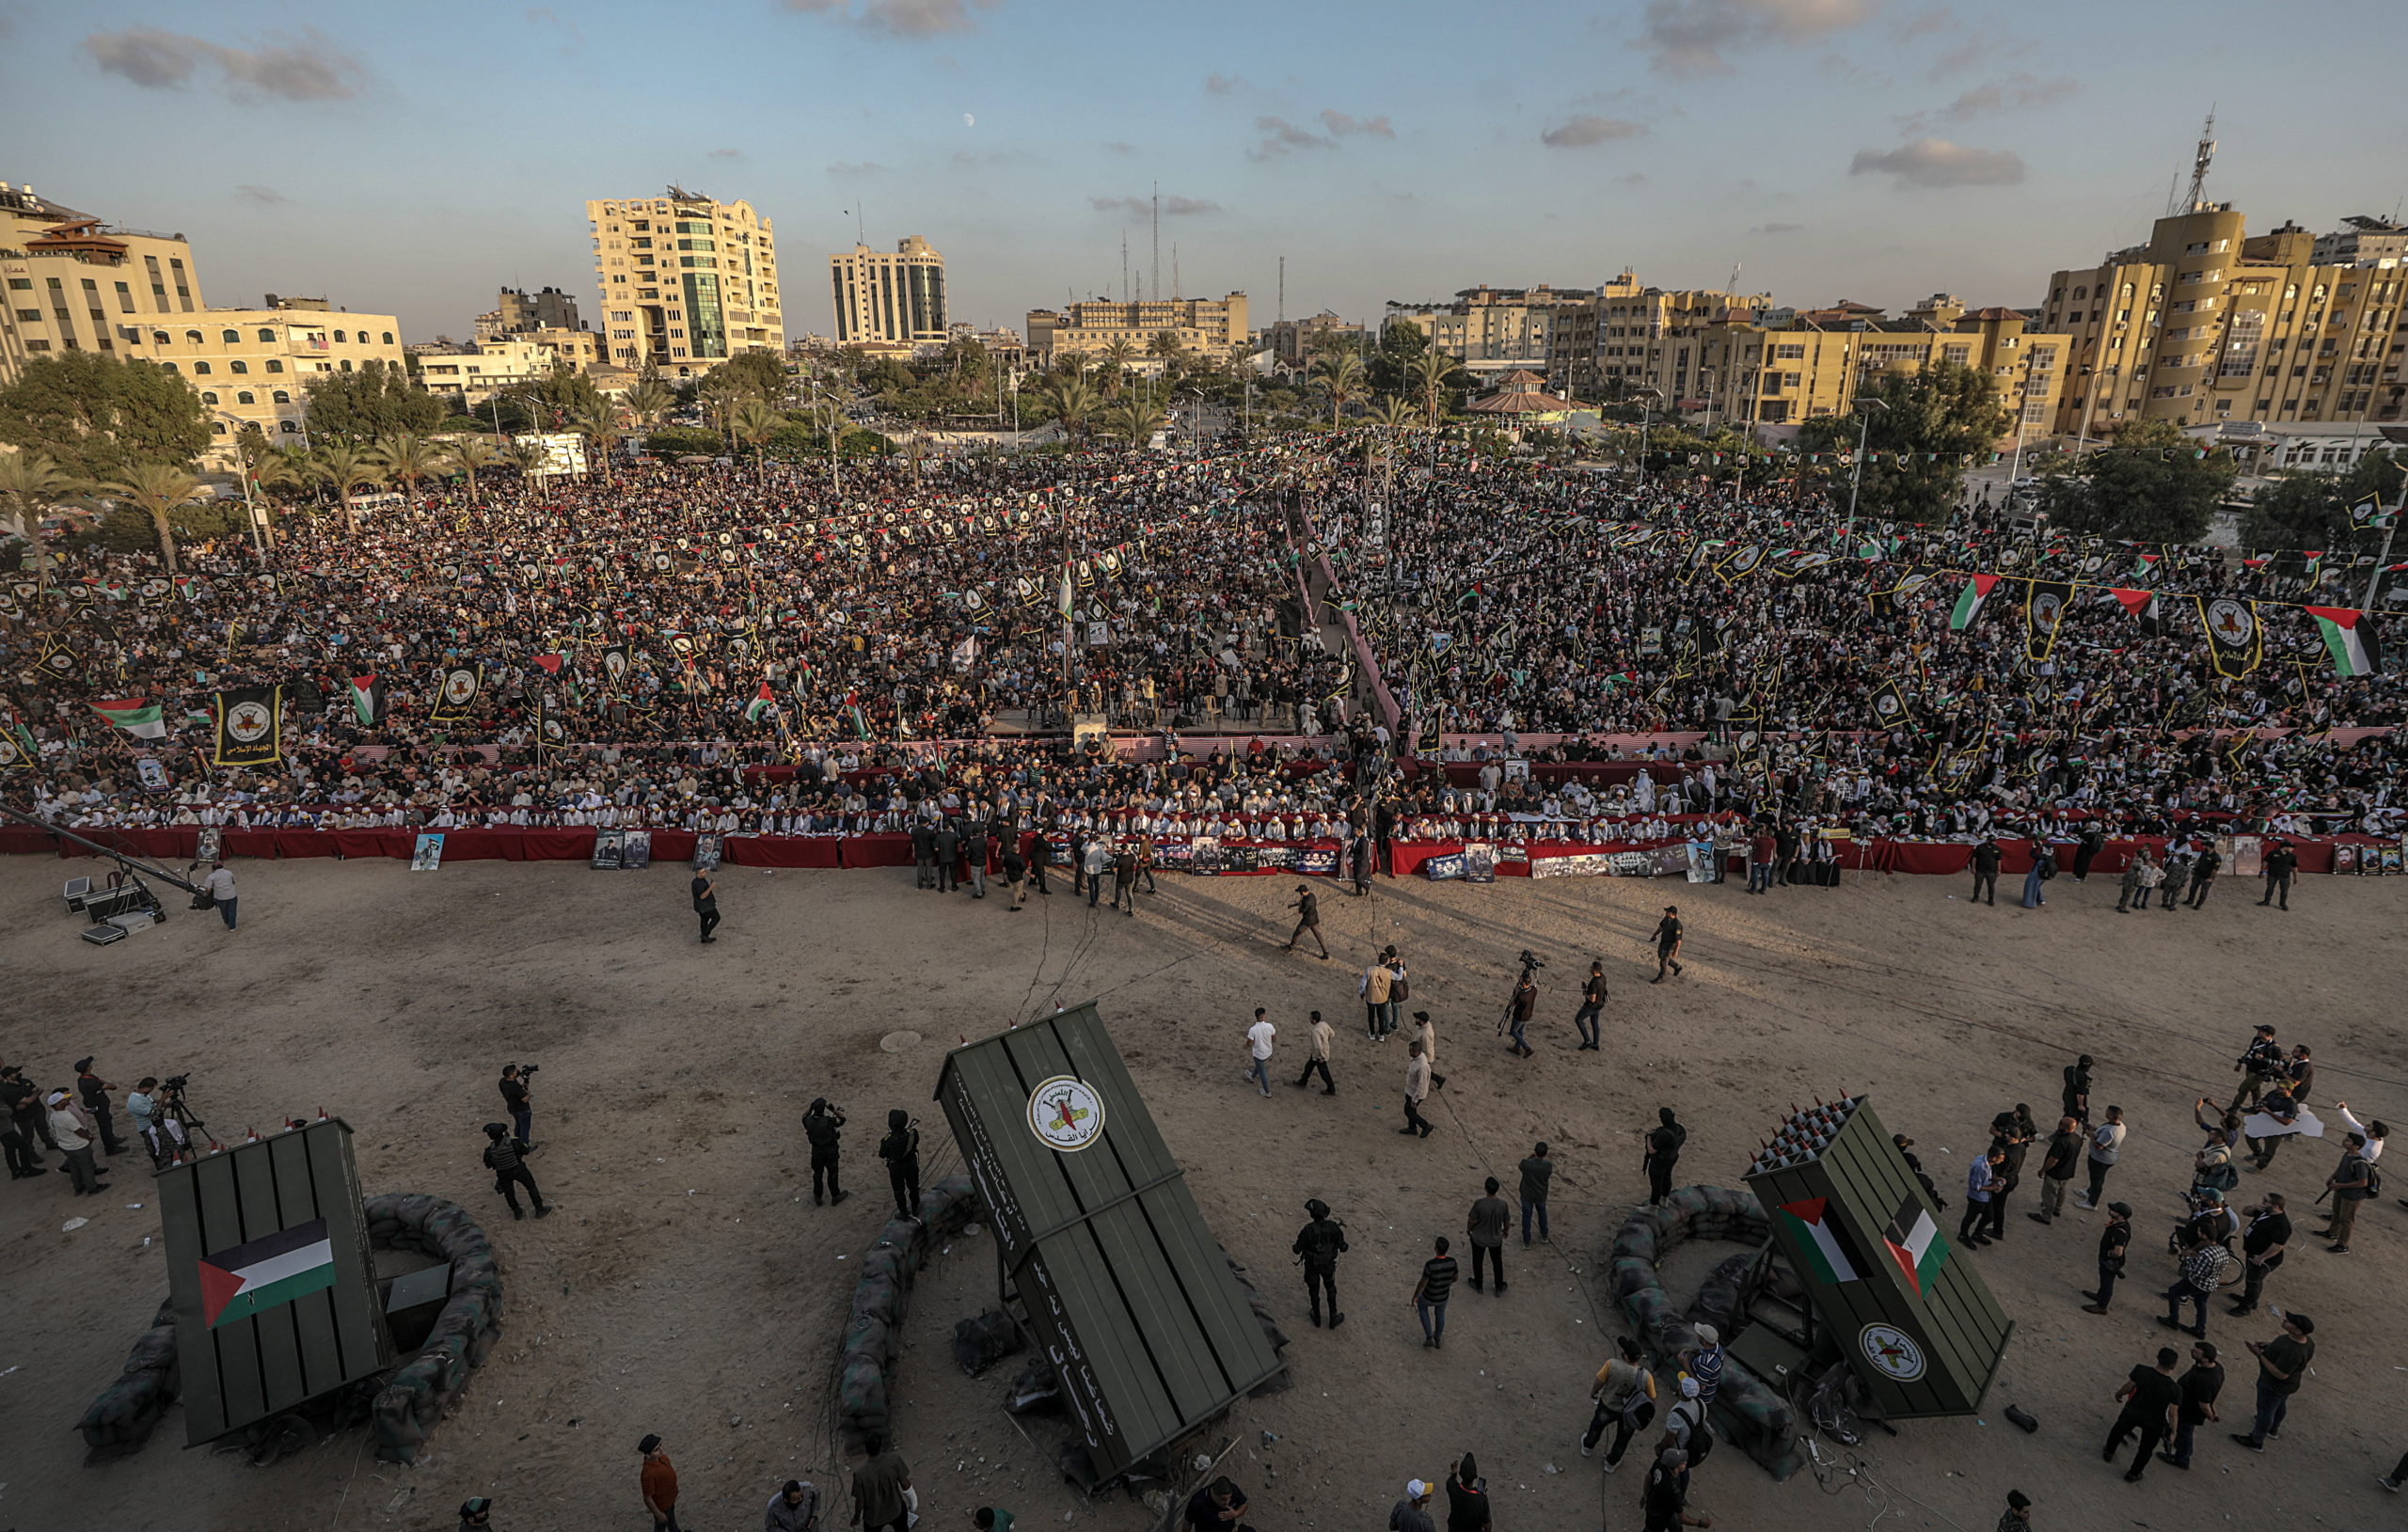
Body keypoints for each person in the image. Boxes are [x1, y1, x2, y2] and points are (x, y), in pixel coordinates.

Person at [2229, 1312, 2314, 1452]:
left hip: (2274, 1385)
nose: (2285, 1320)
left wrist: (2259, 1355)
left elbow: (2280, 1374)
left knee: (2265, 1411)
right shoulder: (2306, 1342)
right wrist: (2269, 1346)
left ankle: (2256, 1440)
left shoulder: (2293, 1352)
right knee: (2279, 1405)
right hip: (2288, 1385)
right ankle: (2272, 1429)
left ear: (2298, 1331)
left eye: (2290, 1322)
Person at [2103, 1346, 2182, 1482]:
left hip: (2134, 1410)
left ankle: (2109, 1452)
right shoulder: (2175, 1389)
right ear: (2173, 1366)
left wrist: (2119, 1394)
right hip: (2155, 1420)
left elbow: (2129, 1386)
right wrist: (2174, 1432)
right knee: (2146, 1449)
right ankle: (2134, 1473)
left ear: (2158, 1358)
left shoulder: (2141, 1370)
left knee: (2118, 1430)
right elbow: (2172, 1413)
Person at [1582, 1335, 1658, 1470]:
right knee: (1622, 1439)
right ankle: (1611, 1463)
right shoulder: (1646, 1376)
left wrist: (1594, 1392)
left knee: (1596, 1427)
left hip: (1608, 1405)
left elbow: (1599, 1381)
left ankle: (1587, 1447)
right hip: (1629, 1414)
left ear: (1626, 1357)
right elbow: (1652, 1398)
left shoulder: (1612, 1364)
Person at [2158, 1340, 2223, 1470]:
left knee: (2184, 1433)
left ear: (2205, 1358)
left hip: (2189, 1410)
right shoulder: (2214, 1367)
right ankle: (2182, 1450)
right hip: (2187, 1406)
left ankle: (2181, 1459)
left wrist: (2210, 1415)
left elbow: (2204, 1404)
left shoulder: (2205, 1380)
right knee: (2184, 1432)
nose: (2192, 1351)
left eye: (2196, 1352)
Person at [2160, 1225, 2226, 1338]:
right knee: (2201, 1303)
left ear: (2205, 1235)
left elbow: (2195, 1272)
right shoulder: (2222, 1250)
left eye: (2200, 1231)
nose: (2198, 1233)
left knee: (2173, 1292)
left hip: (2197, 1283)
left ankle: (2173, 1320)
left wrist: (2189, 1258)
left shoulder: (2206, 1253)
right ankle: (2199, 1329)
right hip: (2210, 1284)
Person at [2229, 1193, 2288, 1316]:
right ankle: (2250, 1299)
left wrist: (2262, 1257)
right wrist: (2254, 1207)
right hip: (2253, 1252)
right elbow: (2245, 1212)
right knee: (2250, 1277)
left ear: (2276, 1206)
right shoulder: (2264, 1211)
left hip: (2264, 1258)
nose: (2263, 1202)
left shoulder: (2281, 1224)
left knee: (2253, 1281)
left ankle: (2246, 1307)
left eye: (2266, 1201)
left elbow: (2277, 1246)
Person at [1293, 1196, 1347, 1328]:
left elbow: (1297, 1249)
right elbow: (1344, 1247)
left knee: (1314, 1289)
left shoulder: (1307, 1230)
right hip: (1328, 1264)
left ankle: (1316, 1317)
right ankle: (1333, 1316)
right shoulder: (1333, 1227)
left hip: (1312, 1265)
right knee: (1330, 1288)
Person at [2318, 1133, 2374, 1254]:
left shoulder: (2359, 1163)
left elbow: (2363, 1182)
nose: (2344, 1141)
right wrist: (2332, 1177)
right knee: (2336, 1212)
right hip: (2341, 1190)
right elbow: (2341, 1168)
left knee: (2346, 1220)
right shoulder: (2347, 1154)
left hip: (2352, 1196)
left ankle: (2343, 1245)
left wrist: (2340, 1185)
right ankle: (2332, 1232)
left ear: (2356, 1146)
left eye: (2348, 1140)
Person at [483, 1123, 551, 1220]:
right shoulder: (513, 1143)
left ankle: (517, 1212)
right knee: (531, 1187)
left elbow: (488, 1165)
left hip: (503, 1173)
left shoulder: (490, 1151)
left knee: (509, 1193)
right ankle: (539, 1209)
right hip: (518, 1169)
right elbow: (525, 1151)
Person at [850, 1435, 913, 1532]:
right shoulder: (894, 1460)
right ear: (881, 1446)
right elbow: (905, 1485)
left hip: (874, 1517)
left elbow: (860, 1501)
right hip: (896, 1509)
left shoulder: (860, 1475)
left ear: (866, 1449)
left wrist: (856, 1517)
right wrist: (913, 1503)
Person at [2031, 1115, 2084, 1224]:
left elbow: (2054, 1159)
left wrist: (2043, 1169)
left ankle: (2046, 1216)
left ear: (2063, 1126)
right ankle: (2057, 1208)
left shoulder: (2062, 1141)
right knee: (2062, 1191)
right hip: (2067, 1170)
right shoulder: (2077, 1138)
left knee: (2049, 1195)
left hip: (2056, 1172)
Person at [48, 1088, 103, 1195]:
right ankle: (92, 1188)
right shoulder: (66, 1117)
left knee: (74, 1166)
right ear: (58, 1103)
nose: (67, 1100)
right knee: (86, 1167)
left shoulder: (54, 1115)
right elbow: (79, 1131)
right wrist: (89, 1138)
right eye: (64, 1099)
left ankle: (78, 1187)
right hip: (77, 1146)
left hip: (65, 1146)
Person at [1642, 1446, 1711, 1531]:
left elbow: (1649, 1477)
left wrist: (1645, 1494)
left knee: (1676, 1528)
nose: (1685, 1462)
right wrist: (1700, 1523)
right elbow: (1682, 1518)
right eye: (1682, 1462)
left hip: (1655, 1503)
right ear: (1676, 1467)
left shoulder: (1660, 1463)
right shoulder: (1673, 1490)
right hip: (1658, 1517)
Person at [2083, 1202, 2133, 1314]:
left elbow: (2118, 1252)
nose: (2111, 1211)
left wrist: (2109, 1254)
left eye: (2114, 1211)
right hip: (2107, 1259)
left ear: (2121, 1216)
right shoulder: (2120, 1224)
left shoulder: (2120, 1232)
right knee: (2104, 1280)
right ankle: (2100, 1295)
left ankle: (2102, 1306)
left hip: (2110, 1261)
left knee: (2107, 1283)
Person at [72, 1057, 129, 1156]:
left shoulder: (84, 1078)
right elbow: (112, 1087)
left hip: (97, 1104)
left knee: (107, 1121)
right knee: (104, 1126)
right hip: (98, 1105)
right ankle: (110, 1148)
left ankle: (111, 1139)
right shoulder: (90, 1082)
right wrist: (105, 1085)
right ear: (87, 1068)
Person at [1466, 1177, 1510, 1294]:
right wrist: (1506, 1231)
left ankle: (1478, 1284)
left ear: (1485, 1188)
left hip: (1479, 1237)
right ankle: (1498, 1287)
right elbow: (1506, 1221)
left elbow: (1471, 1220)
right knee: (1497, 1262)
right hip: (1495, 1238)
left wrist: (1469, 1229)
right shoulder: (1503, 1204)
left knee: (1477, 1260)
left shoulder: (1479, 1204)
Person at [1412, 1236, 1458, 1349]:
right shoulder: (1452, 1262)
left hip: (1429, 1295)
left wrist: (1415, 1296)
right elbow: (1455, 1278)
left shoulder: (1430, 1265)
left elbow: (1423, 1283)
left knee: (1422, 1308)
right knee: (1440, 1314)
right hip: (1443, 1296)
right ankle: (1437, 1338)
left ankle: (1429, 1337)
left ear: (1436, 1248)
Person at [2076, 1106, 2125, 1209]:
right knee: (2095, 1178)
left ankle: (2092, 1203)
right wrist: (2095, 1130)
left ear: (2110, 1116)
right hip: (2105, 1158)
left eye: (2107, 1112)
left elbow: (2099, 1146)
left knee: (2097, 1181)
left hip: (2100, 1159)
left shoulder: (2110, 1131)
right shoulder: (2120, 1126)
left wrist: (2091, 1135)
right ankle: (2089, 1192)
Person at [805, 1098, 849, 1207]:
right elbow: (842, 1119)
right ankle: (835, 1195)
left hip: (816, 1152)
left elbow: (804, 1116)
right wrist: (833, 1110)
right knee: (832, 1174)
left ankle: (818, 1196)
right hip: (830, 1152)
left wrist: (810, 1108)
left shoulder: (809, 1121)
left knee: (817, 1174)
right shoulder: (828, 1121)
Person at [2229, 1025, 2283, 1112]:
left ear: (2269, 1035)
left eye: (2262, 1031)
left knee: (2243, 1088)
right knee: (2255, 1089)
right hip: (2250, 1068)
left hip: (2260, 1072)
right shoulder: (2257, 1040)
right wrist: (2241, 1062)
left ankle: (2235, 1107)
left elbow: (2280, 1062)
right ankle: (2257, 1107)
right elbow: (2250, 1051)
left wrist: (2264, 1059)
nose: (2259, 1032)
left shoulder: (2274, 1047)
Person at [879, 1110, 921, 1220]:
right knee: (914, 1187)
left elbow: (882, 1154)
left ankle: (904, 1212)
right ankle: (916, 1208)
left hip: (896, 1168)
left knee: (899, 1191)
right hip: (911, 1164)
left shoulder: (887, 1140)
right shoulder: (912, 1133)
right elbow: (916, 1141)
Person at [1959, 1146, 2002, 1247]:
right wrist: (1993, 1188)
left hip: (1986, 1197)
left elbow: (1986, 1178)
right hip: (1977, 1198)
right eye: (2001, 1158)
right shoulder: (1980, 1167)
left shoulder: (1986, 1162)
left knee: (1989, 1216)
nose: (2002, 1160)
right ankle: (1963, 1235)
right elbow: (1976, 1186)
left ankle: (1977, 1233)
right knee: (1970, 1217)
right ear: (1994, 1158)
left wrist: (1996, 1179)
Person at [639, 1433, 681, 1532]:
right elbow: (647, 1498)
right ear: (648, 1455)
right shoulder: (648, 1474)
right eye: (656, 1450)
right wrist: (658, 1514)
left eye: (660, 1446)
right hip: (662, 1506)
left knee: (672, 1520)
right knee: (661, 1526)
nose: (661, 1450)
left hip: (669, 1500)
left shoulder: (662, 1458)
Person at [1644, 1108, 1686, 1206]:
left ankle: (1653, 1207)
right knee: (1667, 1177)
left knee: (1656, 1183)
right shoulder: (1680, 1129)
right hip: (1672, 1158)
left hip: (1660, 1161)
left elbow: (1652, 1150)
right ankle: (1664, 1199)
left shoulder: (1665, 1135)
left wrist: (1649, 1137)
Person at [1180, 1476, 1250, 1532]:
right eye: (1223, 1499)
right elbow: (1187, 1523)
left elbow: (1244, 1505)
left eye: (1230, 1498)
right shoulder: (1198, 1501)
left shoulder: (1234, 1489)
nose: (1227, 1502)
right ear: (1213, 1493)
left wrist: (1236, 1514)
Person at [1292, 1009, 1335, 1095]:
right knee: (1309, 1066)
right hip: (1322, 1051)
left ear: (1314, 1020)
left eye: (1311, 1018)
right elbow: (1332, 1034)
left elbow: (1318, 1046)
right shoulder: (1324, 1024)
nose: (1309, 1019)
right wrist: (1326, 1041)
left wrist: (1319, 1057)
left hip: (1319, 1055)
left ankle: (1331, 1089)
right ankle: (1303, 1081)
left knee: (1324, 1073)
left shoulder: (1315, 1031)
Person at [1519, 1142, 1553, 1246]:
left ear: (1535, 1151)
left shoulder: (1527, 1164)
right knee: (1542, 1214)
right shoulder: (1548, 1166)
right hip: (1540, 1195)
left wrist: (1531, 1156)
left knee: (1526, 1217)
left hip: (1527, 1194)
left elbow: (1521, 1166)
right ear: (1545, 1154)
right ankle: (1544, 1235)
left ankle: (1526, 1241)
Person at [1442, 1455, 1488, 1532]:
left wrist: (1454, 1474)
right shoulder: (1481, 1500)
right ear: (1475, 1476)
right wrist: (1484, 1498)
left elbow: (1451, 1481)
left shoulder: (1453, 1488)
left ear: (1461, 1474)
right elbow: (1487, 1525)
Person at [1281, 885, 1329, 958]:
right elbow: (1303, 902)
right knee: (1319, 936)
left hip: (1307, 921)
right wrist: (1293, 905)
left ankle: (1291, 946)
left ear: (1302, 892)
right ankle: (1326, 952)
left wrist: (1299, 906)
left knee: (1297, 933)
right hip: (1315, 919)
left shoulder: (1306, 902)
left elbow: (1301, 911)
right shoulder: (1312, 895)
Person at [1501, 969, 1537, 1058]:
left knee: (1514, 1032)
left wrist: (1516, 991)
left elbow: (1514, 1003)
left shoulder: (1521, 996)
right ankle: (1517, 1048)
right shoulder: (1534, 990)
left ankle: (1527, 1048)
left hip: (1519, 1016)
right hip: (1528, 1015)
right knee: (1520, 1031)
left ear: (1523, 983)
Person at [1360, 951, 1396, 1040]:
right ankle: (1381, 1034)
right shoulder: (1388, 972)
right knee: (1381, 1016)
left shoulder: (1370, 969)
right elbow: (1398, 977)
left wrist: (1362, 992)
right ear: (1387, 961)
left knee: (1371, 1016)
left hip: (1371, 997)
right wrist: (1402, 967)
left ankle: (1372, 1033)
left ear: (1378, 959)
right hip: (1382, 998)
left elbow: (1363, 983)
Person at [499, 1065, 534, 1153]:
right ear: (511, 1075)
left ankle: (517, 1141)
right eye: (516, 1071)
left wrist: (522, 1087)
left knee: (518, 1125)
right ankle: (524, 1147)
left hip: (513, 1108)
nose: (518, 1072)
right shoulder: (515, 1087)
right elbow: (525, 1099)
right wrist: (528, 1093)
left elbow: (515, 1091)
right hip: (522, 1110)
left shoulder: (502, 1082)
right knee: (524, 1129)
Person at [1402, 1040, 1434, 1138]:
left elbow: (1422, 1085)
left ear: (1417, 1052)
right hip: (1411, 1090)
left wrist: (1415, 1099)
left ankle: (1425, 1126)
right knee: (1411, 1111)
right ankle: (1412, 1128)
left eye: (1411, 1051)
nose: (1409, 1053)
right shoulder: (1416, 1058)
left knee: (1408, 1111)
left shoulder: (1422, 1066)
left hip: (1416, 1093)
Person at [1574, 960, 1608, 1050]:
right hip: (1599, 1005)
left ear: (1595, 971)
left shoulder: (1594, 983)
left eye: (1591, 968)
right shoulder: (1603, 977)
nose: (1590, 969)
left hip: (1591, 1006)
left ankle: (1587, 1041)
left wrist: (1585, 993)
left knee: (1578, 1020)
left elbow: (1592, 999)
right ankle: (1595, 1044)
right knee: (1595, 1023)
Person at [1243, 1008, 1275, 1098]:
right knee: (1260, 1065)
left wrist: (1246, 1045)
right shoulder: (1270, 1026)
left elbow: (1249, 1043)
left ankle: (1267, 1092)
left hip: (1258, 1054)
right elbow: (1274, 1038)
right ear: (1263, 1016)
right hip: (1268, 1051)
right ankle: (1252, 1076)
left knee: (1262, 1072)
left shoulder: (1253, 1029)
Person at [1647, 906, 1685, 983]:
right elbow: (1661, 927)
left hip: (1670, 945)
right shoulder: (1666, 918)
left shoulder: (1677, 925)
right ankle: (1677, 967)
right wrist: (1654, 935)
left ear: (1673, 914)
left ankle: (1661, 977)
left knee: (1663, 962)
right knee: (1661, 956)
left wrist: (1676, 951)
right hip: (1663, 942)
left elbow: (1679, 940)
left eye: (1668, 912)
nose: (1666, 913)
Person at [2258, 839, 2296, 909]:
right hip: (2273, 874)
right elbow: (2265, 862)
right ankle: (2266, 901)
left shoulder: (2292, 856)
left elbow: (2294, 867)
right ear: (2285, 847)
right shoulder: (2273, 853)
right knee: (2270, 888)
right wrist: (2262, 871)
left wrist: (2295, 877)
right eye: (2291, 847)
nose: (2292, 849)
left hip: (2285, 875)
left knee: (2284, 891)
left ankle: (2283, 903)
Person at [200, 860, 238, 929]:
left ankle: (227, 922)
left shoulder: (211, 876)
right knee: (232, 911)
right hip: (232, 895)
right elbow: (233, 882)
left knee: (224, 911)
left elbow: (208, 889)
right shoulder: (229, 873)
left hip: (220, 897)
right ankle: (232, 926)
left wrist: (205, 894)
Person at [1414, 1010, 1446, 1091]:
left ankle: (1436, 1080)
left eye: (1417, 1019)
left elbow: (1426, 1049)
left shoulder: (1425, 1035)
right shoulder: (1426, 1025)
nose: (1416, 1020)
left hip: (1425, 1056)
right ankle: (1438, 1079)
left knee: (1423, 1071)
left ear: (1422, 1022)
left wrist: (1421, 1058)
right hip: (1424, 1053)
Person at [2186, 841, 2222, 908]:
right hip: (2198, 874)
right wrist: (2194, 869)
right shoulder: (2204, 853)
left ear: (2210, 847)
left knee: (2203, 891)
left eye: (2205, 846)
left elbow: (2215, 870)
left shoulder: (2216, 858)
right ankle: (2190, 900)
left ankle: (2199, 904)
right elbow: (2199, 861)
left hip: (2206, 877)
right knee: (2193, 888)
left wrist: (2210, 878)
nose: (2203, 847)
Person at [2061, 1054, 2094, 1128]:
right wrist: (2080, 1105)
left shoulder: (2069, 1069)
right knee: (2073, 1118)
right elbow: (2080, 1093)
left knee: (2067, 1113)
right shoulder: (2085, 1078)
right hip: (2075, 1100)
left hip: (2067, 1094)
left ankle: (2062, 1127)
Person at [2020, 841, 2054, 908]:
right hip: (2043, 875)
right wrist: (2040, 846)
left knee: (2031, 886)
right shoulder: (2051, 856)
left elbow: (2032, 854)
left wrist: (2034, 847)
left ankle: (2029, 903)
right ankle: (2040, 899)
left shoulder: (2041, 856)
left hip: (2036, 874)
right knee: (2038, 886)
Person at [1970, 834, 2002, 905]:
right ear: (1987, 841)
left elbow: (1998, 859)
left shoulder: (1997, 849)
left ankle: (1991, 899)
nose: (1993, 843)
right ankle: (1976, 897)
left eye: (1994, 841)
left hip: (1992, 871)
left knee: (1991, 886)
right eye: (1991, 841)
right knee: (1978, 885)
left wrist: (1999, 869)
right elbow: (1974, 857)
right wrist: (1973, 867)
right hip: (1980, 870)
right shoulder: (1980, 847)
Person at [691, 868, 721, 942]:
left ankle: (704, 938)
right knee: (716, 918)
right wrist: (711, 887)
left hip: (701, 906)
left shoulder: (698, 881)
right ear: (698, 873)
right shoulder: (698, 884)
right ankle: (704, 935)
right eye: (703, 872)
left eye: (704, 871)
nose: (705, 873)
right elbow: (702, 896)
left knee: (704, 919)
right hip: (705, 906)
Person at [1080, 837, 1109, 908]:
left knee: (1091, 885)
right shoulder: (1099, 847)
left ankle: (1093, 901)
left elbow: (1082, 848)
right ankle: (1096, 896)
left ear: (1089, 839)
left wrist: (1086, 842)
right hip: (1097, 868)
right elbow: (1104, 858)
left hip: (1089, 869)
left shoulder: (1087, 848)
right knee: (1096, 882)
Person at [1001, 840, 1027, 911]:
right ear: (1018, 850)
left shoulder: (1007, 856)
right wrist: (1030, 875)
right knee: (1016, 891)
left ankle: (1022, 895)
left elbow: (1004, 866)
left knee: (1018, 888)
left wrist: (1005, 875)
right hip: (1017, 877)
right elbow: (1024, 869)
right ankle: (1013, 906)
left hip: (1010, 876)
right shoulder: (1019, 859)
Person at [910, 818, 937, 890]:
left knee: (920, 868)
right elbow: (935, 838)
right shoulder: (929, 832)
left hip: (919, 852)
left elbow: (913, 843)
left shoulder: (915, 832)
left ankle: (920, 884)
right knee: (929, 868)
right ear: (927, 823)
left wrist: (914, 851)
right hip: (928, 852)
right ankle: (929, 884)